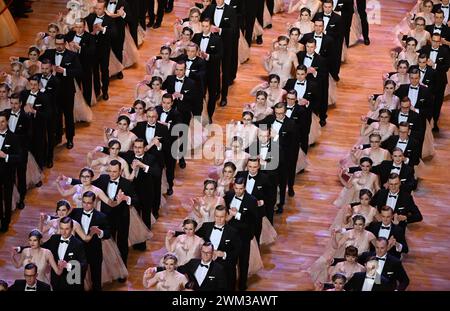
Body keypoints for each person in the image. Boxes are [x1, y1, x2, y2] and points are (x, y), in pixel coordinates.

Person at [40, 34, 82, 149]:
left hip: (67, 91)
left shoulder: (72, 55)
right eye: (57, 44)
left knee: (68, 116)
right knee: (56, 115)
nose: (58, 46)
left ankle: (69, 139)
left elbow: (79, 71)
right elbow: (35, 60)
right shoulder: (49, 53)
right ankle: (57, 137)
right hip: (52, 92)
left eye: (61, 44)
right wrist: (19, 60)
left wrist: (64, 71)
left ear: (65, 43)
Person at [69, 191, 112, 291]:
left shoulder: (101, 216)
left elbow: (108, 234)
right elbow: (62, 219)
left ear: (94, 203)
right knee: (75, 279)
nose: (86, 205)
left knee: (96, 279)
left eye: (89, 203)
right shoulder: (75, 212)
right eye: (84, 202)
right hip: (77, 252)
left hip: (94, 251)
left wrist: (99, 232)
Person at [224, 177, 259, 290]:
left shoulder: (251, 200)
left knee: (243, 263)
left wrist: (237, 215)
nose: (238, 191)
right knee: (230, 262)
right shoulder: (229, 195)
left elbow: (253, 220)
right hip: (230, 236)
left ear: (245, 188)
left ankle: (242, 285)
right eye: (236, 188)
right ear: (234, 187)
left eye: (241, 189)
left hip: (244, 236)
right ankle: (231, 286)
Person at [196, 205, 241, 290]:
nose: (219, 219)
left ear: (226, 216)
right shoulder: (206, 226)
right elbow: (193, 235)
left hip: (225, 268)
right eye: (217, 216)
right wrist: (175, 233)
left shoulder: (233, 232)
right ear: (214, 216)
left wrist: (223, 254)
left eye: (222, 217)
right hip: (207, 266)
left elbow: (238, 251)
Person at [41, 217, 88, 291]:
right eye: (62, 228)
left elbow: (84, 265)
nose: (64, 232)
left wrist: (68, 265)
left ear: (72, 228)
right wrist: (20, 249)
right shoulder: (54, 239)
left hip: (72, 282)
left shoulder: (78, 244)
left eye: (67, 229)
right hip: (56, 280)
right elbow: (41, 248)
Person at [192, 18, 223, 121]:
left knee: (212, 95)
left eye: (207, 26)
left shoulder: (217, 39)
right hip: (199, 72)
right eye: (203, 26)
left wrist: (208, 56)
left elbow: (220, 55)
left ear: (210, 27)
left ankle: (209, 117)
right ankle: (199, 116)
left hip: (212, 72)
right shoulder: (196, 37)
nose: (205, 28)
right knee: (200, 94)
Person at [418, 32, 450, 132]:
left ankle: (434, 123)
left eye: (437, 41)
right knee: (425, 102)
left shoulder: (445, 51)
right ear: (431, 40)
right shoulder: (425, 49)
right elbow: (415, 55)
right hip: (426, 81)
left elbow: (446, 67)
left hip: (439, 82)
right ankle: (423, 122)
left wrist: (434, 65)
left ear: (440, 42)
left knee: (437, 103)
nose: (435, 43)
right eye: (434, 41)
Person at [85, 1, 114, 101]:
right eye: (96, 8)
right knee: (95, 71)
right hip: (92, 50)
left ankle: (105, 91)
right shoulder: (90, 17)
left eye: (100, 9)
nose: (97, 11)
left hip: (104, 50)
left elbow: (115, 34)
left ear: (104, 9)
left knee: (104, 71)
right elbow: (80, 25)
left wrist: (103, 30)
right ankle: (97, 90)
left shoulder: (109, 19)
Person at [65, 18, 96, 106]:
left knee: (87, 86)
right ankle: (77, 106)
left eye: (80, 27)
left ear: (84, 27)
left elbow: (92, 51)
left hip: (85, 66)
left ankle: (87, 105)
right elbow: (62, 39)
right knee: (75, 87)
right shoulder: (71, 34)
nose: (78, 29)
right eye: (76, 27)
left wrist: (80, 48)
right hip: (73, 66)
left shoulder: (90, 37)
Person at [0, 112, 22, 232]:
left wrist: (6, 156)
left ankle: (6, 222)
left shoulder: (13, 137)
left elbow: (19, 157)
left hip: (7, 174)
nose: (0, 124)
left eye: (2, 121)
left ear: (7, 122)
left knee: (7, 199)